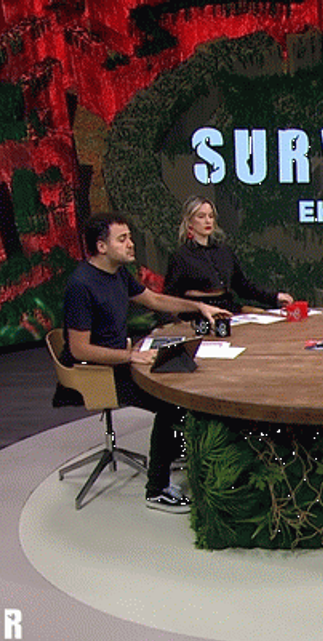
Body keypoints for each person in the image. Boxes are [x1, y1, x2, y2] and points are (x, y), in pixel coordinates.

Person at [61, 211, 228, 512]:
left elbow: (155, 300)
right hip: (96, 372)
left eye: (129, 237)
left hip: (121, 361)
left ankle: (174, 450)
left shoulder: (118, 273)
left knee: (183, 373)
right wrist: (131, 356)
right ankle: (157, 489)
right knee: (172, 401)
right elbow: (80, 350)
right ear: (101, 247)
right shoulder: (81, 286)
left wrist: (199, 307)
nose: (131, 244)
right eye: (122, 239)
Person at [163, 196, 293, 313]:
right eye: (201, 217)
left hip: (228, 307)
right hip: (197, 313)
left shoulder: (224, 251)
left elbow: (242, 286)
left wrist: (275, 297)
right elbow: (170, 296)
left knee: (263, 314)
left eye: (211, 216)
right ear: (190, 222)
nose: (208, 221)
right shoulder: (181, 256)